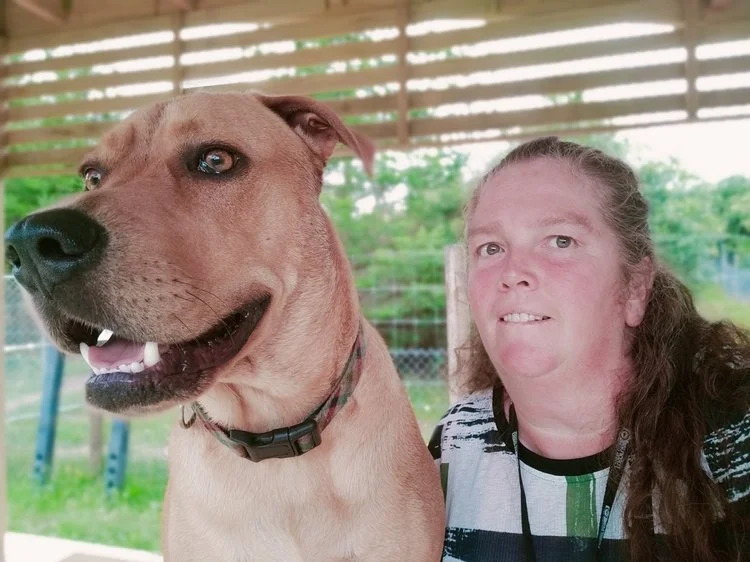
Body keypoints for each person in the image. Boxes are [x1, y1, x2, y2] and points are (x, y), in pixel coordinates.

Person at [429, 136, 750, 562]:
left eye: (560, 240)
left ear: (635, 287)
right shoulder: (456, 442)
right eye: (491, 248)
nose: (513, 272)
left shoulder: (732, 436)